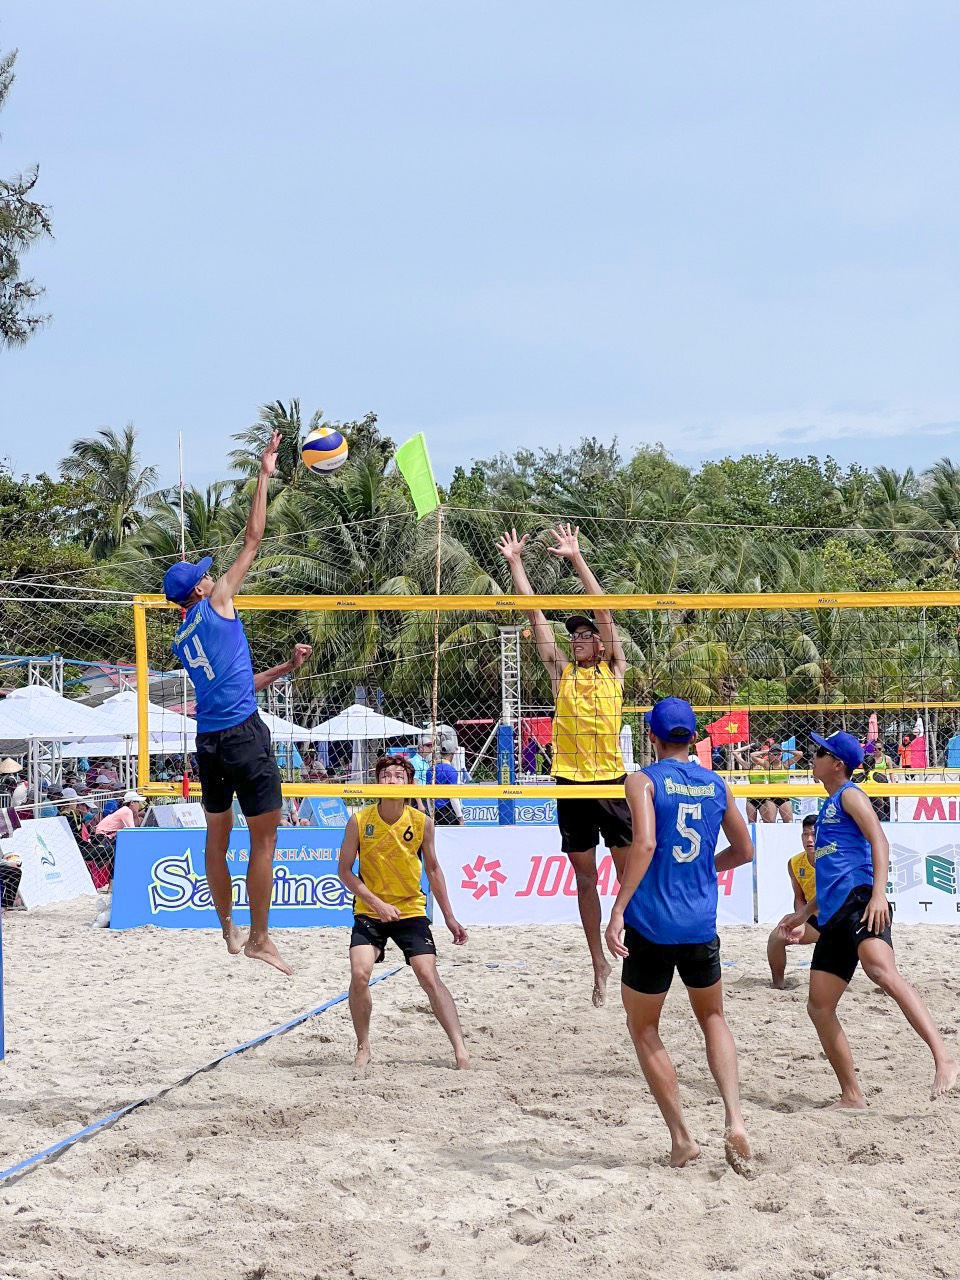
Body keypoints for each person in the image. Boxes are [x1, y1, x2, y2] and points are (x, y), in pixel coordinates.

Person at [165, 431, 313, 975]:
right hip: (244, 737)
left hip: (210, 739)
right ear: (199, 591)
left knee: (216, 836)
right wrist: (264, 476)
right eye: (204, 574)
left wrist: (285, 670)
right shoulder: (219, 600)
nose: (211, 573)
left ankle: (226, 927)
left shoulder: (183, 638)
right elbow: (253, 538)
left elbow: (234, 683)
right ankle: (259, 938)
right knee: (264, 841)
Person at [605, 697, 754, 1174]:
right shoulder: (716, 784)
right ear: (694, 737)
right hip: (699, 922)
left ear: (652, 735)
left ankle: (682, 1139)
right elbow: (745, 850)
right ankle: (734, 1118)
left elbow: (645, 843)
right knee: (713, 1016)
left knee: (644, 1026)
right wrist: (704, 871)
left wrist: (619, 907)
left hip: (653, 923)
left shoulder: (642, 780)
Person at [780, 731, 958, 1106]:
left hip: (861, 900)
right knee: (819, 1007)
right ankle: (852, 1095)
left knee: (881, 971)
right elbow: (831, 876)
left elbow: (880, 840)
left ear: (837, 763)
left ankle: (943, 1056)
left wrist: (879, 894)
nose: (812, 757)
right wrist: (803, 912)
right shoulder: (828, 806)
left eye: (819, 752)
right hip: (832, 914)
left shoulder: (850, 794)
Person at [497, 521, 630, 1007]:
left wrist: (576, 559)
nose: (578, 638)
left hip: (611, 781)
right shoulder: (562, 672)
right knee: (585, 878)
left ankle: (625, 935)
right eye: (574, 634)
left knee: (627, 871)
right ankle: (597, 961)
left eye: (586, 634)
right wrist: (516, 563)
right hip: (570, 781)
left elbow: (604, 609)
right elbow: (536, 617)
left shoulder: (614, 668)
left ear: (600, 643)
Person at [337, 755, 470, 1073]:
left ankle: (460, 1049)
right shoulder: (359, 820)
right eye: (386, 775)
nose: (392, 780)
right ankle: (363, 1046)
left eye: (399, 775)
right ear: (377, 783)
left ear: (409, 784)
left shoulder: (422, 821)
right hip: (371, 910)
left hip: (410, 909)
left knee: (427, 975)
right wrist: (376, 902)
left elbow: (434, 871)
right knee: (359, 973)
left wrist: (450, 917)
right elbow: (344, 871)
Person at [766, 814, 820, 988]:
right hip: (816, 922)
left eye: (814, 834)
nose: (809, 839)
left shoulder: (833, 860)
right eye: (805, 834)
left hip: (842, 921)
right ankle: (778, 985)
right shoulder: (795, 863)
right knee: (777, 936)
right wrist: (800, 919)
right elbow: (799, 897)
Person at [423, 726, 464, 826]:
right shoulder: (451, 771)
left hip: (434, 811)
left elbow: (429, 796)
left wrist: (431, 814)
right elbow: (453, 797)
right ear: (453, 753)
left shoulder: (430, 770)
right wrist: (460, 817)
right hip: (448, 811)